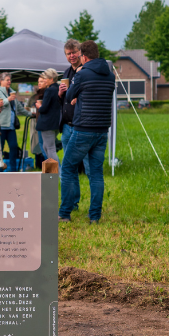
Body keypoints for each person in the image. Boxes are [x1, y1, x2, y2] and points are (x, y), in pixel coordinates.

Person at [58, 41, 115, 224]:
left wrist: (76, 91)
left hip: (83, 129)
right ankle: (95, 217)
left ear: (83, 56)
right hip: (102, 130)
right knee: (96, 173)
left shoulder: (82, 74)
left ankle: (65, 213)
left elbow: (69, 96)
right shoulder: (110, 75)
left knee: (68, 168)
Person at [33, 69, 63, 163]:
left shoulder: (49, 90)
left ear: (51, 79)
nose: (44, 81)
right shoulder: (58, 88)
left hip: (48, 124)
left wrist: (39, 106)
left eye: (45, 79)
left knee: (50, 148)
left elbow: (44, 108)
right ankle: (53, 169)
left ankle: (57, 170)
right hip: (56, 123)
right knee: (46, 147)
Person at [0, 73, 18, 169]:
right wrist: (8, 99)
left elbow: (18, 106)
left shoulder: (11, 92)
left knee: (14, 147)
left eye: (10, 80)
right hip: (1, 125)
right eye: (7, 80)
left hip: (11, 126)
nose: (9, 82)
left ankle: (13, 170)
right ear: (1, 81)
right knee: (0, 149)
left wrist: (30, 114)